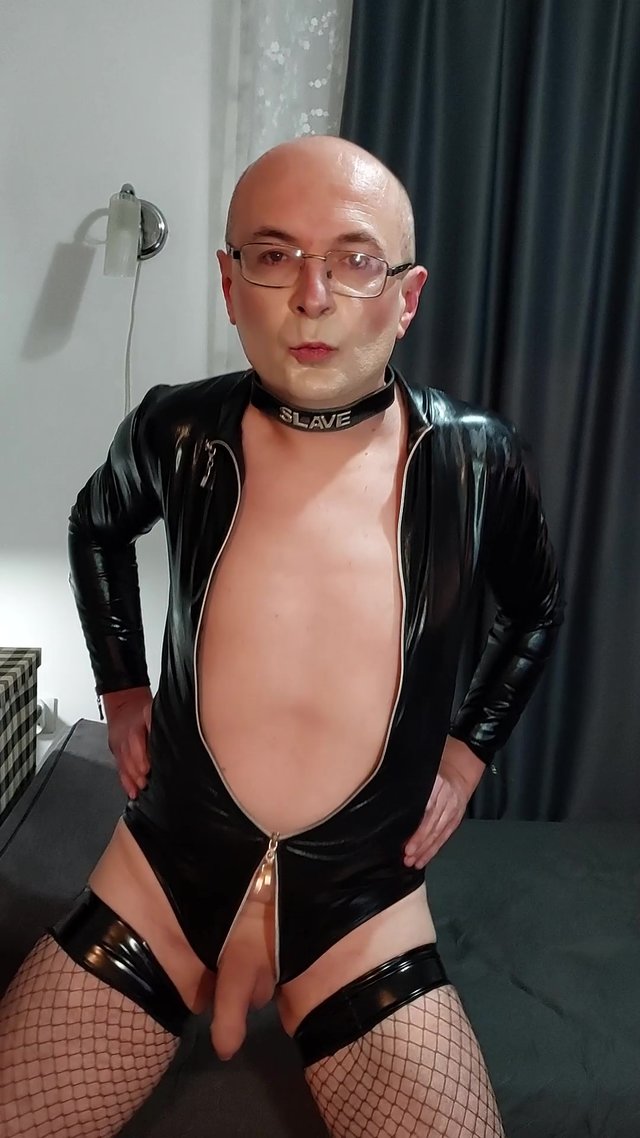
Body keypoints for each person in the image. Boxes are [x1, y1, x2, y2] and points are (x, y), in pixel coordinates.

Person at [0, 134, 564, 1138]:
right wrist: (122, 686)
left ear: (406, 296)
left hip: (361, 910)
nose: (311, 295)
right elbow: (97, 527)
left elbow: (535, 608)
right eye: (273, 255)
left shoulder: (477, 462)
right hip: (162, 877)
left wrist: (468, 752)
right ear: (229, 285)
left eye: (353, 260)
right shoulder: (177, 431)